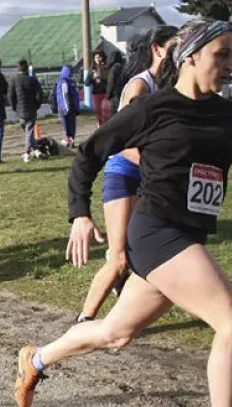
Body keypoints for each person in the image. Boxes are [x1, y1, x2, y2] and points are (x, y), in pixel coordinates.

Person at [14, 19, 232, 407]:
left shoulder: (231, 116)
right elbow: (89, 154)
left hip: (185, 234)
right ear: (190, 56)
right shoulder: (152, 110)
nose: (230, 64)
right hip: (156, 232)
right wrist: (79, 214)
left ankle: (35, 360)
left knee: (114, 333)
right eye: (223, 54)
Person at [76, 25, 178, 323]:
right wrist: (158, 164)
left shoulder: (164, 85)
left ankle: (123, 311)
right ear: (157, 48)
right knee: (119, 258)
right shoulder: (140, 87)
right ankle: (83, 321)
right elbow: (128, 142)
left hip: (144, 178)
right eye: (175, 47)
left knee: (140, 254)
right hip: (122, 174)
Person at [9, 59, 44, 163]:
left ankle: (29, 152)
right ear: (27, 68)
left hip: (20, 110)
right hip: (31, 109)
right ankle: (33, 151)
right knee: (29, 133)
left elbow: (11, 95)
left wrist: (14, 107)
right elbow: (39, 94)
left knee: (28, 131)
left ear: (17, 68)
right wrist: (37, 105)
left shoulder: (14, 80)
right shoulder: (32, 80)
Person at [55, 65, 80, 148]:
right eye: (69, 72)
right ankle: (67, 141)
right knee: (67, 126)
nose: (71, 74)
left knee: (71, 126)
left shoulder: (69, 82)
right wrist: (66, 108)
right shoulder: (64, 82)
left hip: (70, 108)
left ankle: (70, 141)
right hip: (66, 109)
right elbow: (64, 95)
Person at [90, 51, 110, 127]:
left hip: (105, 92)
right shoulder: (92, 68)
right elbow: (86, 82)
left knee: (105, 111)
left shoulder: (106, 67)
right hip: (96, 93)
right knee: (98, 111)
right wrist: (92, 77)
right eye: (96, 57)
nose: (97, 59)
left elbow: (109, 79)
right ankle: (100, 126)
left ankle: (105, 126)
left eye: (99, 57)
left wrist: (102, 77)